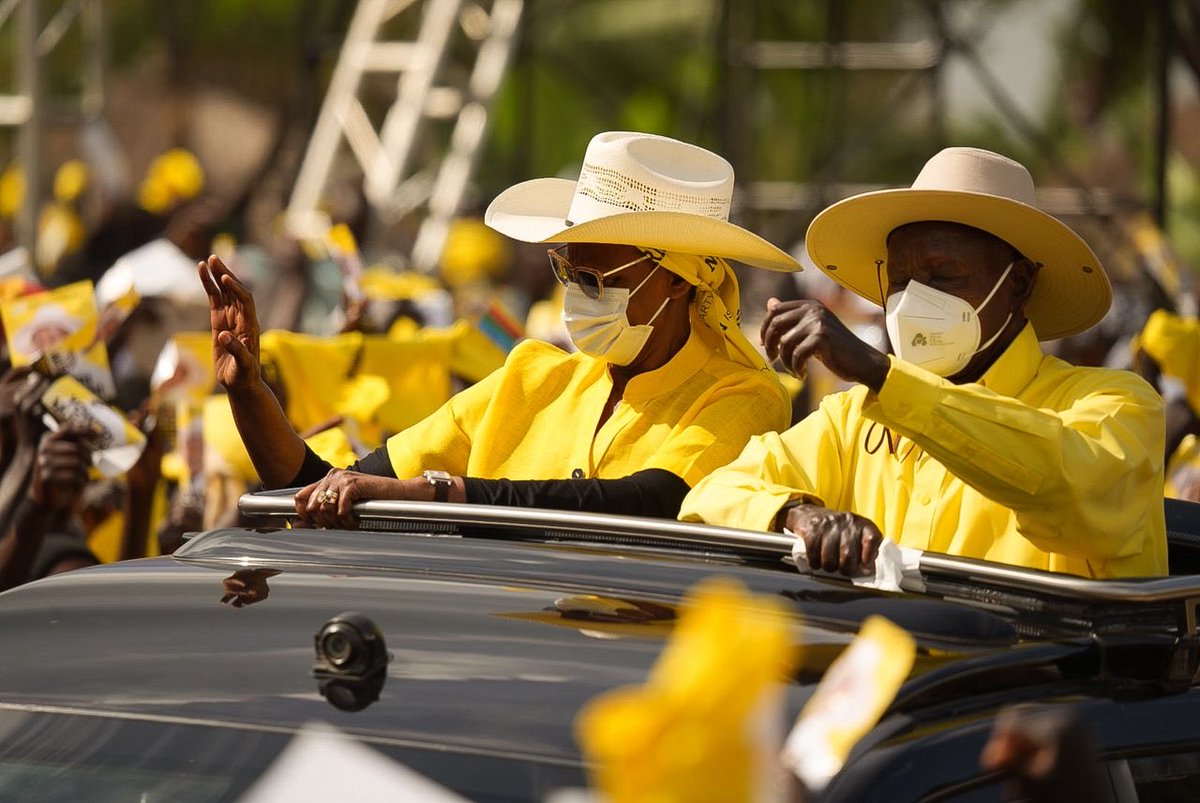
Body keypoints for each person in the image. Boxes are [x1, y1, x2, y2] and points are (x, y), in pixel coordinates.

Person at [200, 131, 797, 526]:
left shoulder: (743, 395)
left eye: (596, 278)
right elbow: (315, 489)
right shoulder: (531, 375)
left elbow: (652, 500)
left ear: (675, 279)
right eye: (566, 270)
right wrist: (249, 392)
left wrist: (439, 494)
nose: (575, 290)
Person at [681, 146, 1166, 579]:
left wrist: (881, 374)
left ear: (1019, 284)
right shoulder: (851, 419)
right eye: (901, 279)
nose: (914, 300)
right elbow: (714, 495)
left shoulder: (1116, 402)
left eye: (944, 276)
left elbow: (1071, 488)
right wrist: (800, 515)